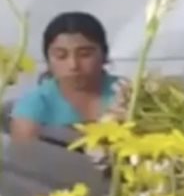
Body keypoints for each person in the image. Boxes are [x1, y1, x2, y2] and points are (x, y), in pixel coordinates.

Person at [9, 12, 121, 141]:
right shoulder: (34, 104)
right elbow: (23, 151)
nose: (73, 65)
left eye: (85, 54)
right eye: (61, 56)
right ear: (47, 60)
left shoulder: (127, 94)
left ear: (104, 54)